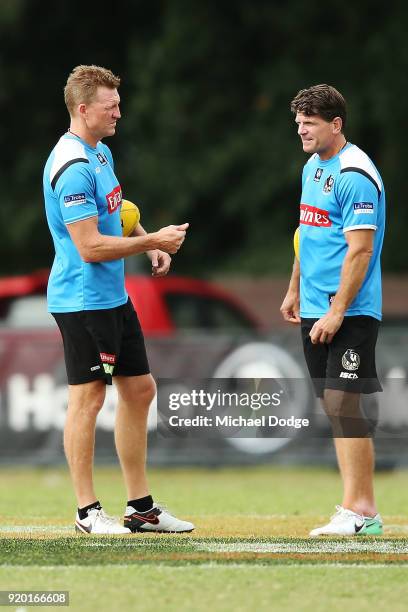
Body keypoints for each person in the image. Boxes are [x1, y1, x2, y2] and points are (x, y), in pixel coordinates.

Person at [43, 64, 194, 535]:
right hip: (82, 299)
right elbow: (89, 247)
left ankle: (140, 509)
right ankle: (88, 513)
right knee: (88, 398)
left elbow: (118, 215)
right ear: (83, 109)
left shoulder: (101, 153)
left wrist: (147, 238)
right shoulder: (71, 167)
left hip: (112, 295)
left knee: (140, 389)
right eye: (111, 108)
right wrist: (155, 243)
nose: (119, 114)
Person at [280, 84, 385, 537]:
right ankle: (353, 508)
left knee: (345, 402)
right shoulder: (312, 166)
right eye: (299, 122)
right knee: (334, 405)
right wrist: (293, 288)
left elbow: (360, 252)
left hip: (350, 310)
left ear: (336, 125)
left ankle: (363, 510)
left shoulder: (355, 173)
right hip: (314, 308)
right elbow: (308, 232)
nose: (302, 129)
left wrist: (338, 310)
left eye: (311, 122)